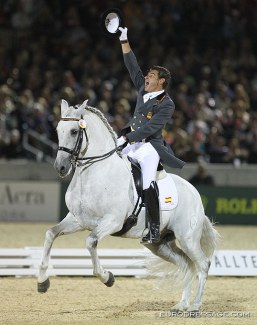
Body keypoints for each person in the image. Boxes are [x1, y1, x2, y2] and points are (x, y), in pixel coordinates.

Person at [116, 27, 185, 243]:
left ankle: (154, 228)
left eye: (151, 75)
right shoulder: (143, 90)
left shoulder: (167, 104)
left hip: (149, 147)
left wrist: (129, 138)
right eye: (147, 74)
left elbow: (151, 128)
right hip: (130, 138)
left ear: (161, 81)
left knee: (147, 182)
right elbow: (132, 66)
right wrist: (124, 39)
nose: (146, 77)